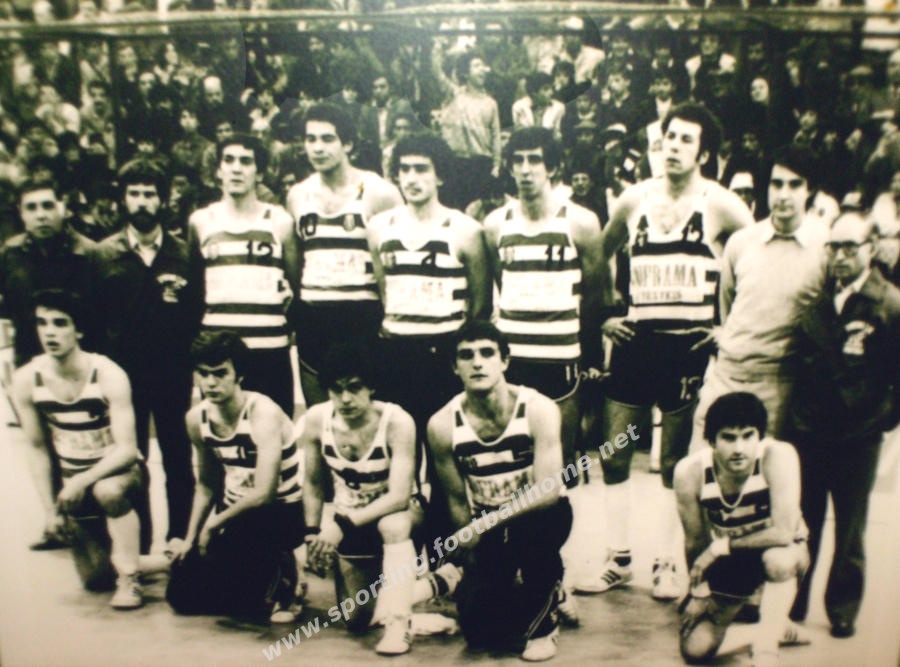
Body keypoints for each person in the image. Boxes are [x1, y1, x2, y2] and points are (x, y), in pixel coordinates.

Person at [581, 103, 753, 598]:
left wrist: (727, 327)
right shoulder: (633, 199)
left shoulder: (721, 204)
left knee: (674, 463)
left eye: (686, 140)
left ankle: (666, 561)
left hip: (688, 346)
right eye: (669, 138)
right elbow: (598, 255)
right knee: (615, 455)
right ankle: (618, 559)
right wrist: (605, 315)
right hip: (637, 341)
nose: (674, 148)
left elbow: (755, 258)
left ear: (704, 152)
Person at [300, 343, 460, 655]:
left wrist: (340, 526)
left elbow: (398, 497)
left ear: (371, 386)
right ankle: (440, 581)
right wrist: (311, 533)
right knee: (358, 617)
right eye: (337, 389)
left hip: (401, 514)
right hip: (351, 519)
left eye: (354, 388)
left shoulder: (397, 421)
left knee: (393, 524)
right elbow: (313, 484)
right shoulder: (317, 420)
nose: (346, 398)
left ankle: (399, 626)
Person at [428, 321, 573, 662]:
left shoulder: (538, 409)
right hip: (488, 523)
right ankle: (551, 592)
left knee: (535, 537)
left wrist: (487, 523)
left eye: (487, 353)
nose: (477, 363)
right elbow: (455, 498)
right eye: (466, 355)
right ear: (455, 367)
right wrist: (470, 546)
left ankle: (543, 626)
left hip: (540, 516)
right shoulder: (442, 424)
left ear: (505, 361)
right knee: (479, 631)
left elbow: (547, 492)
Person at [786, 211, 900, 638]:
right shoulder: (820, 298)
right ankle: (792, 601)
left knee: (850, 527)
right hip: (811, 431)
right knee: (805, 521)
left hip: (858, 436)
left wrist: (882, 419)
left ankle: (843, 608)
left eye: (850, 248)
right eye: (833, 247)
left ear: (871, 250)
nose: (840, 257)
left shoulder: (888, 303)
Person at [10, 289, 145, 609]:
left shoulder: (108, 373)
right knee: (96, 580)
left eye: (60, 323)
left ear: (79, 330)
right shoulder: (27, 379)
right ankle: (159, 562)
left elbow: (128, 450)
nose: (50, 332)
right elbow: (37, 449)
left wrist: (81, 481)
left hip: (118, 476)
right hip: (74, 487)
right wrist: (50, 510)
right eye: (42, 323)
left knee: (107, 491)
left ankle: (130, 577)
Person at [484, 127, 607, 474]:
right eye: (518, 161)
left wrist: (588, 354)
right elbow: (502, 281)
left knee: (559, 464)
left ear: (552, 167)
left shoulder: (582, 222)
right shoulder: (495, 225)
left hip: (560, 357)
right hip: (513, 357)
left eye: (535, 160)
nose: (526, 170)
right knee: (514, 458)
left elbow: (594, 295)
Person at [96, 160, 203, 551]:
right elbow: (95, 320)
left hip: (173, 374)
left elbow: (196, 312)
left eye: (149, 194)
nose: (142, 202)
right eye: (135, 194)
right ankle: (137, 548)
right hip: (123, 379)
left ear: (163, 199)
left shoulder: (184, 253)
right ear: (123, 199)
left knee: (178, 458)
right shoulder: (103, 255)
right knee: (132, 460)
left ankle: (180, 543)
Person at [691, 146, 829, 447]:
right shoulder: (742, 242)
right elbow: (727, 307)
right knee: (700, 461)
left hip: (778, 381)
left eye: (795, 185)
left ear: (810, 190)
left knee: (762, 468)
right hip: (726, 373)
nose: (783, 195)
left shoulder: (825, 246)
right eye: (776, 184)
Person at [166, 330, 304, 622]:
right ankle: (258, 577)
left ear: (239, 374)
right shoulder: (196, 419)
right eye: (203, 374)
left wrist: (213, 524)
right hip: (233, 513)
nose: (210, 383)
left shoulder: (263, 413)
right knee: (182, 598)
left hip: (279, 512)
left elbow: (264, 493)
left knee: (249, 606)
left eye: (220, 373)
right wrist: (190, 538)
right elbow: (207, 485)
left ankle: (288, 574)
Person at [674, 392, 810, 667]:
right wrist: (699, 593)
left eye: (748, 436)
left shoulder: (778, 455)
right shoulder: (690, 472)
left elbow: (783, 533)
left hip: (781, 550)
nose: (739, 448)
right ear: (712, 440)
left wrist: (720, 547)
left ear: (759, 436)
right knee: (695, 650)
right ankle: (774, 627)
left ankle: (766, 647)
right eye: (728, 438)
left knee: (778, 561)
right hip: (733, 558)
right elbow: (695, 542)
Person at [369, 132, 492, 431]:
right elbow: (385, 292)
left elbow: (480, 304)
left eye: (421, 169)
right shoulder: (379, 227)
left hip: (444, 354)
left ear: (440, 176)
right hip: (395, 351)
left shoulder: (466, 230)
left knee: (446, 444)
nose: (411, 178)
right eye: (404, 169)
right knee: (399, 444)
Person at [286, 103, 403, 409]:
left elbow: (397, 263)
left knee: (370, 409)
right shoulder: (298, 194)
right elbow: (296, 262)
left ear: (347, 144)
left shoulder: (378, 191)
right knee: (320, 412)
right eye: (311, 139)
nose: (317, 148)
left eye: (327, 139)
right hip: (315, 316)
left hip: (362, 315)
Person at [188, 133, 299, 417]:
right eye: (229, 160)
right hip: (219, 356)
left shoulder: (280, 222)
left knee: (275, 430)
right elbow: (195, 291)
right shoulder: (201, 222)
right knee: (222, 433)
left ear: (259, 173)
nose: (236, 168)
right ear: (218, 170)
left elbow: (295, 285)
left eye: (246, 161)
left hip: (269, 350)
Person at [0, 176, 101, 369]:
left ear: (62, 208)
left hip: (82, 368)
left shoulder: (91, 255)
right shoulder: (9, 255)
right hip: (28, 366)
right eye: (31, 208)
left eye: (48, 206)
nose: (41, 215)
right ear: (21, 213)